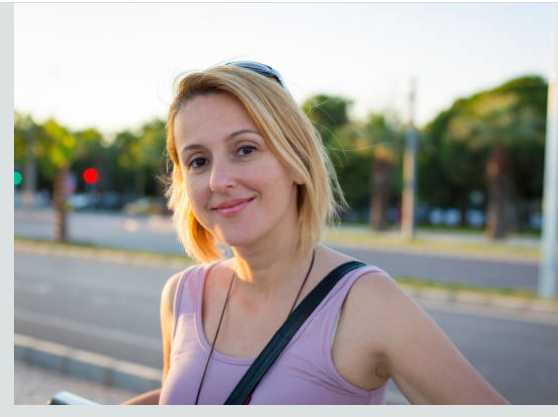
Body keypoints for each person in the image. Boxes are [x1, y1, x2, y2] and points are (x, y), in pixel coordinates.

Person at [123, 61, 509, 405]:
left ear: (297, 161)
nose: (218, 180)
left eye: (245, 150)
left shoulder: (365, 302)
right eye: (198, 161)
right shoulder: (183, 296)